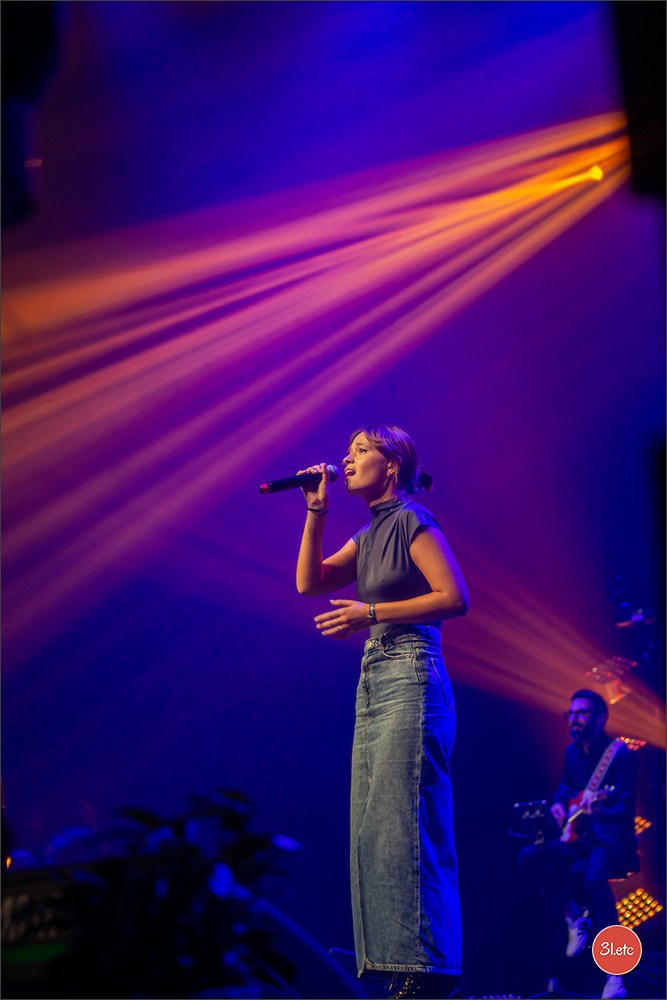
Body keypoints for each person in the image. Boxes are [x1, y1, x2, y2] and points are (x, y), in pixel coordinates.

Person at [295, 425, 469, 1000]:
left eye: (360, 452)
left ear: (391, 466)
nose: (346, 461)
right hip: (375, 678)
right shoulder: (370, 533)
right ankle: (392, 962)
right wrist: (315, 511)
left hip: (413, 671)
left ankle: (426, 968)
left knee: (405, 824)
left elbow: (453, 597)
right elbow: (309, 584)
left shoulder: (414, 520)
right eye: (346, 453)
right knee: (372, 825)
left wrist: (370, 611)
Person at [518, 689, 639, 1000]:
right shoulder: (571, 753)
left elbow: (624, 809)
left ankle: (616, 974)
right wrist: (560, 805)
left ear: (600, 717)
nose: (573, 718)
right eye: (570, 713)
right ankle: (573, 917)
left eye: (581, 713)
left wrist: (598, 809)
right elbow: (565, 789)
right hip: (580, 837)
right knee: (532, 856)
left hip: (610, 838)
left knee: (594, 879)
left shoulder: (620, 754)